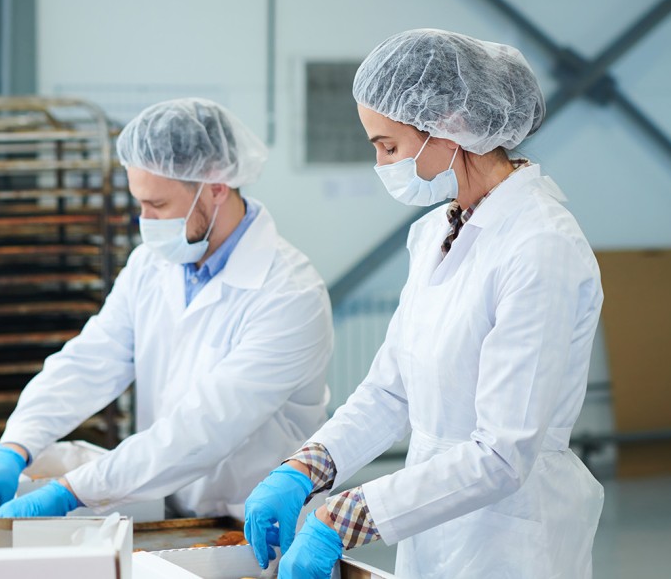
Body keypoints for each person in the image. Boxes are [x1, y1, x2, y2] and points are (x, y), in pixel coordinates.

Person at [244, 29, 605, 578]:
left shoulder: (541, 245)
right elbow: (393, 390)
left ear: (450, 128)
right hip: (431, 526)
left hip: (513, 538)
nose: (383, 164)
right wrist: (305, 468)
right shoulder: (434, 231)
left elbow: (504, 453)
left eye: (389, 146)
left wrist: (345, 518)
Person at [0, 98, 334, 520]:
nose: (145, 221)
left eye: (159, 206)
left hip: (257, 523)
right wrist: (17, 445)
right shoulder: (152, 264)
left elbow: (205, 427)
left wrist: (72, 490)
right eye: (140, 204)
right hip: (171, 510)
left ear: (216, 188)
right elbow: (92, 359)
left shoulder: (290, 295)